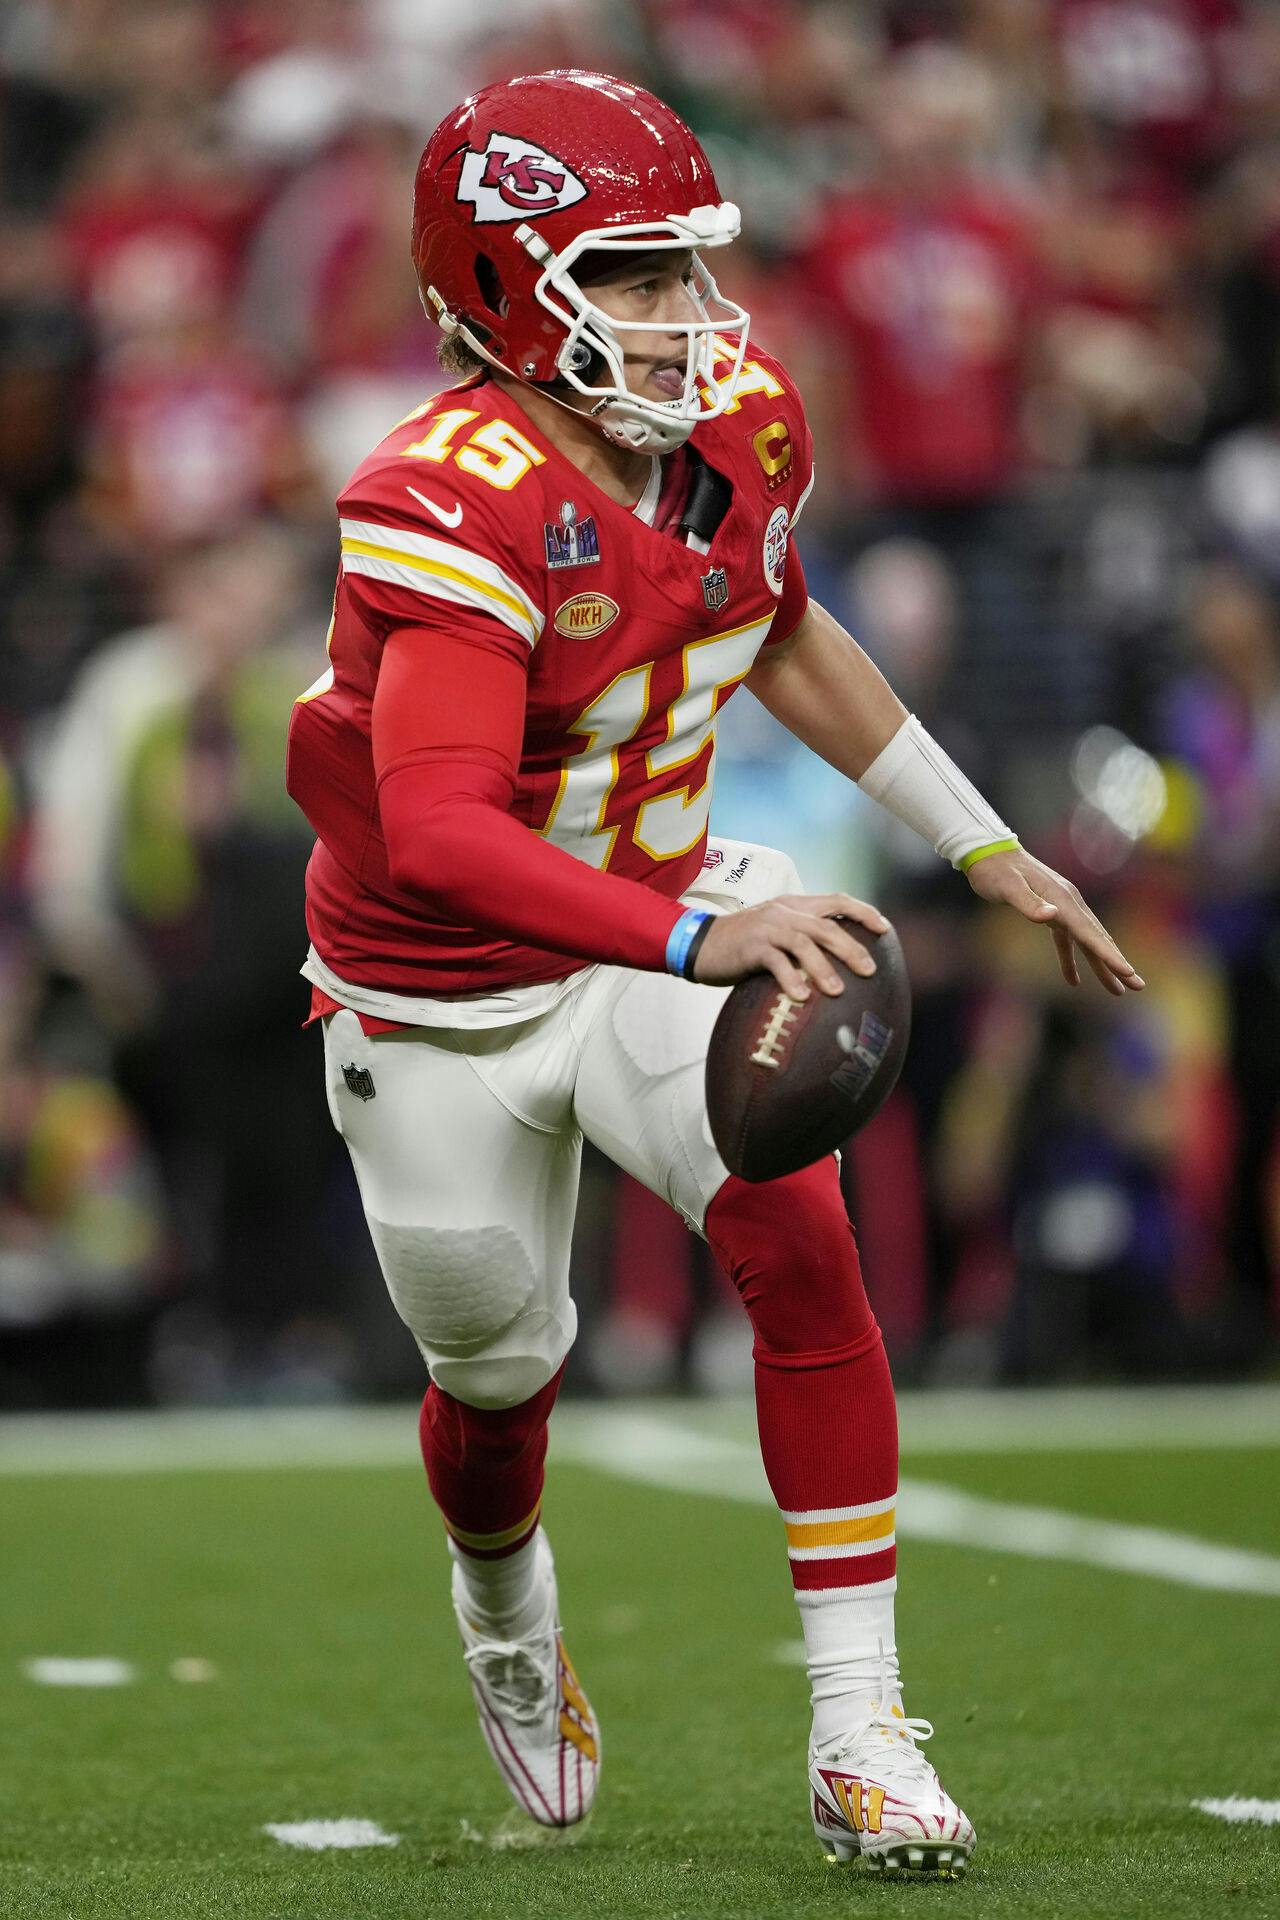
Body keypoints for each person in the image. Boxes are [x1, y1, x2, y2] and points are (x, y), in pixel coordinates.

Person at [285, 69, 1144, 1875]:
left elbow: (782, 627)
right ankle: (507, 1614)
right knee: (495, 1377)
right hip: (443, 991)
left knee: (802, 1247)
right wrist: (702, 933)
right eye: (642, 275)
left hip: (662, 913)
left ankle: (859, 1731)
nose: (693, 314)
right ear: (513, 294)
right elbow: (438, 830)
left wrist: (987, 844)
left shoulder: (737, 420)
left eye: (688, 267)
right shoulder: (446, 494)